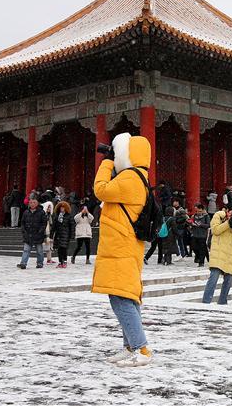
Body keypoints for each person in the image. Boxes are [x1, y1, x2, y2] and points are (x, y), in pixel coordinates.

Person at [91, 132, 154, 367]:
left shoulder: (130, 179)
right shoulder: (137, 178)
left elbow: (101, 190)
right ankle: (130, 347)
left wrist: (107, 162)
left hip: (121, 246)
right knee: (123, 295)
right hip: (123, 245)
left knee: (121, 297)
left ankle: (141, 349)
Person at [202, 207, 232, 305]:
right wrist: (228, 223)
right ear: (227, 210)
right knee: (213, 278)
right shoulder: (218, 215)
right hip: (218, 252)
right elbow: (215, 230)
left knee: (229, 280)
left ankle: (222, 302)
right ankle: (206, 301)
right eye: (230, 212)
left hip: (229, 253)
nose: (231, 214)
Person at [17, 196, 47, 269]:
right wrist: (24, 231)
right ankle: (23, 263)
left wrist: (40, 232)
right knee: (26, 250)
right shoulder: (26, 212)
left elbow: (44, 223)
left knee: (39, 250)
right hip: (28, 234)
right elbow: (22, 223)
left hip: (38, 234)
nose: (32, 204)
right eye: (31, 202)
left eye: (34, 202)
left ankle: (40, 263)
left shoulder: (41, 212)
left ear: (37, 203)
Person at [51, 201, 74, 268]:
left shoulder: (69, 216)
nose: (62, 209)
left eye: (63, 207)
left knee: (63, 248)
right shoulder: (57, 216)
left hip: (66, 234)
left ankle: (64, 261)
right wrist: (51, 235)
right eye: (61, 207)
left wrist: (72, 235)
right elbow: (54, 226)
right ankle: (60, 262)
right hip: (58, 234)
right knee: (59, 249)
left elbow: (72, 226)